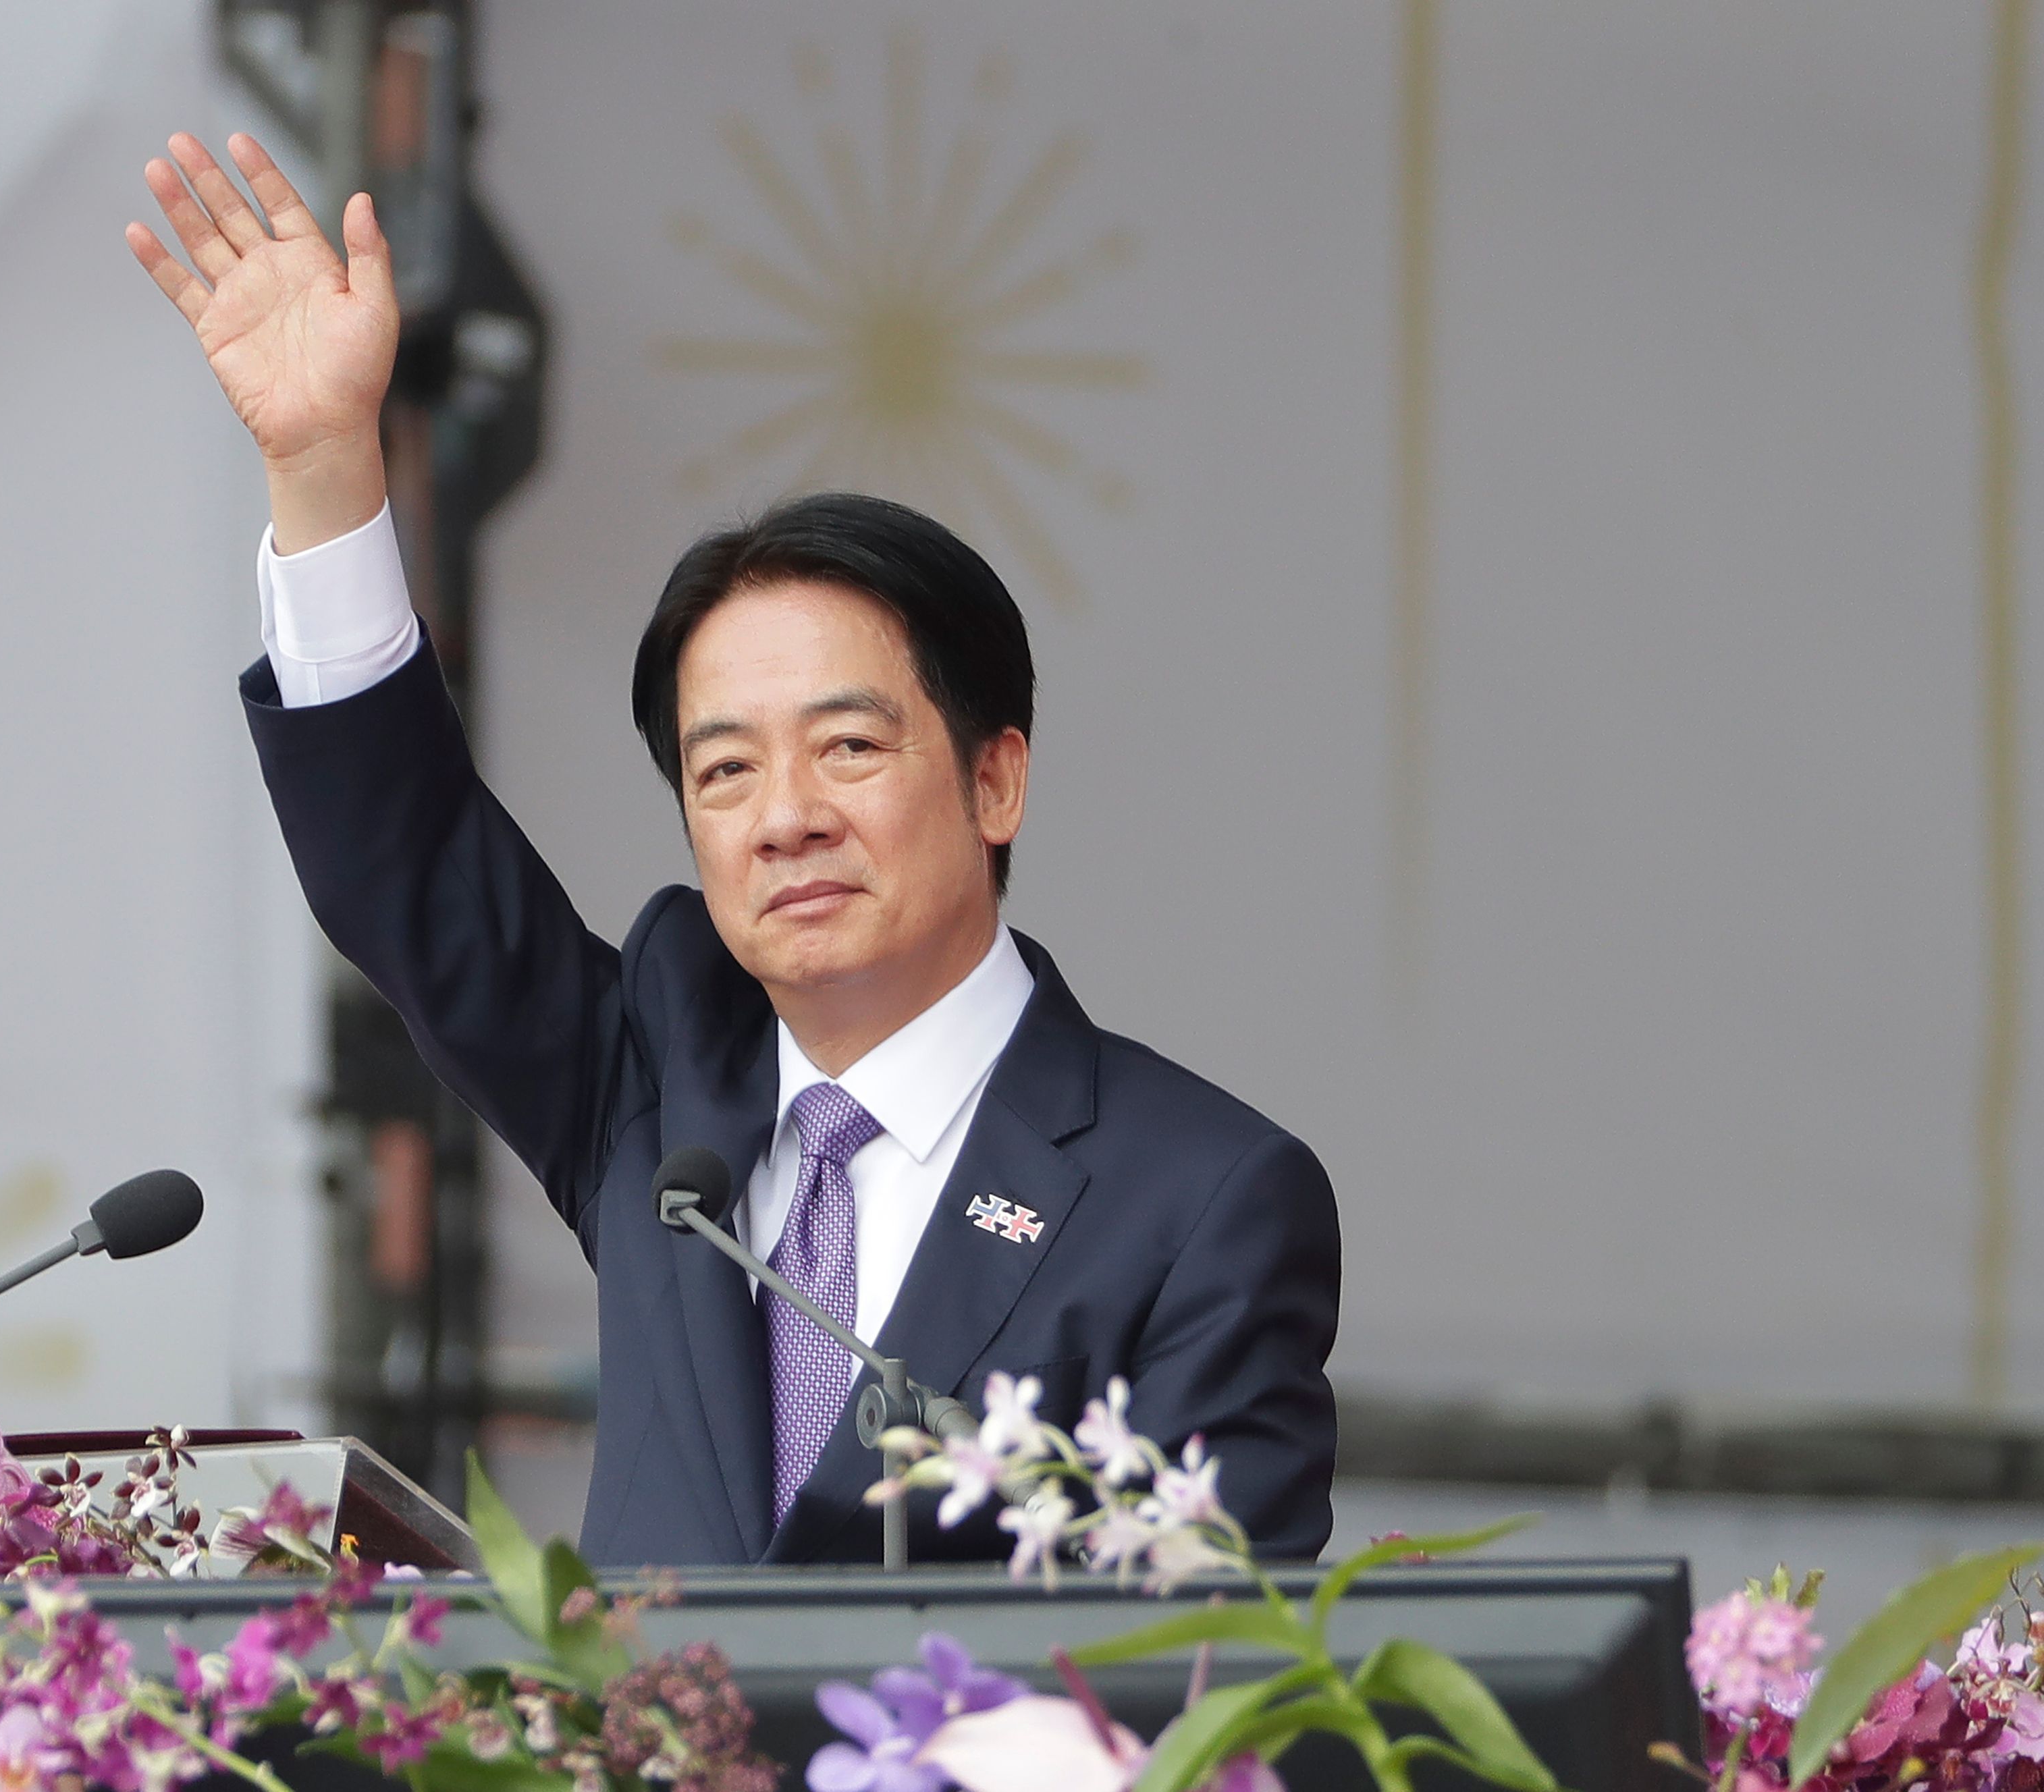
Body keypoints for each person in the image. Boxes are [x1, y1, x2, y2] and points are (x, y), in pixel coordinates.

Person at [128, 133, 1340, 1567]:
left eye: (847, 746)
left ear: (996, 776)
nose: (785, 815)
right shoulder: (662, 1079)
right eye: (724, 768)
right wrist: (327, 465)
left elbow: (1215, 1655)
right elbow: (415, 877)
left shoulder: (1198, 1192)